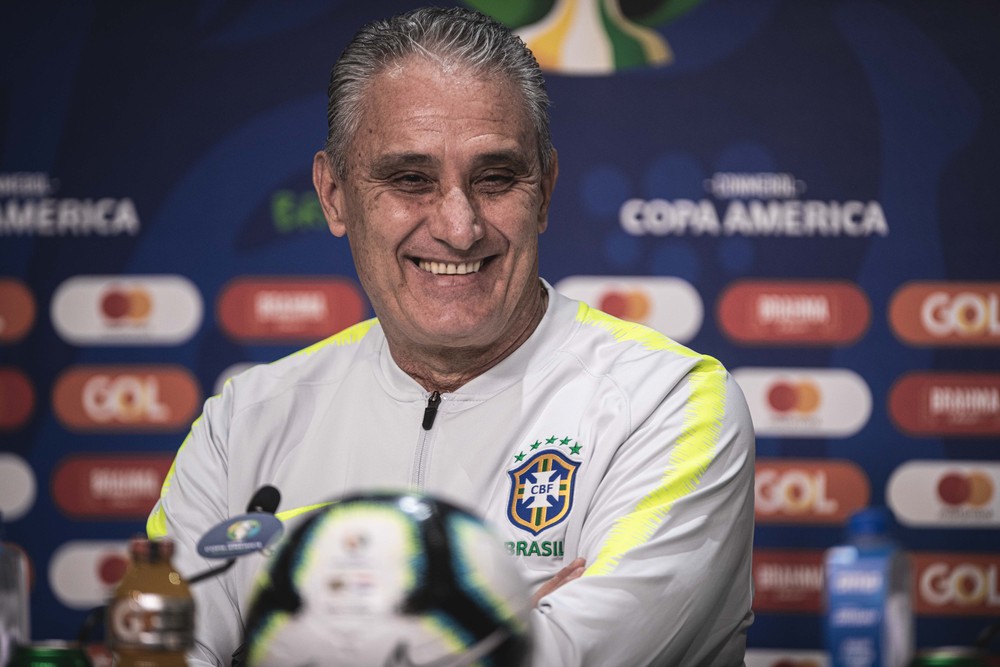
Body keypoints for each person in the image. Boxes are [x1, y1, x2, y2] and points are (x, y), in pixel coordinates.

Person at [147, 6, 755, 666]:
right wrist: (498, 636)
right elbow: (154, 653)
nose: (459, 227)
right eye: (411, 180)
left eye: (495, 178)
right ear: (334, 195)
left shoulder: (669, 403)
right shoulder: (242, 424)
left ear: (545, 191)